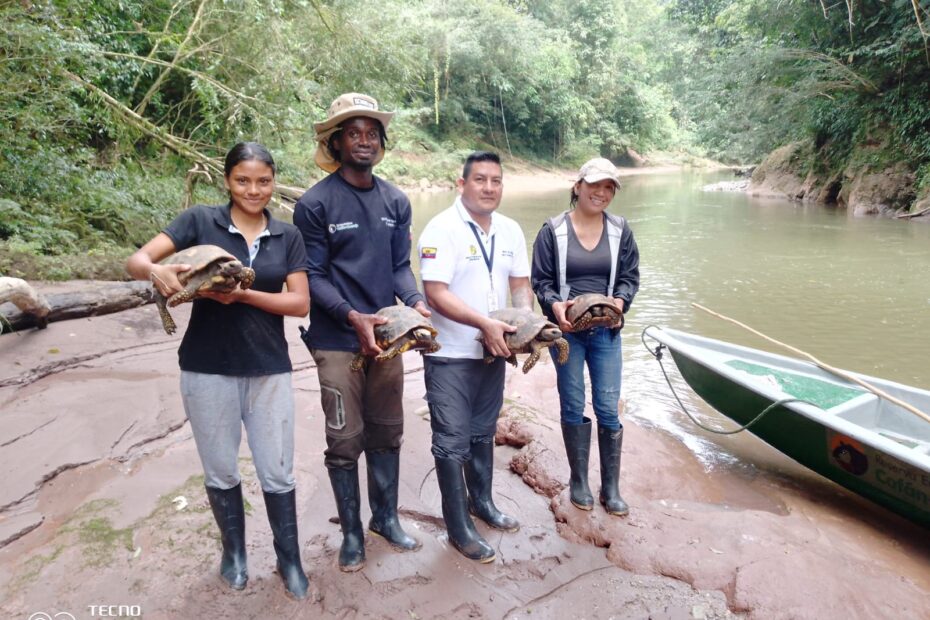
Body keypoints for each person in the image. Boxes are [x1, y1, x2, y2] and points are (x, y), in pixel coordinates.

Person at [125, 142, 312, 598]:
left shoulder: (288, 236)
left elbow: (300, 302)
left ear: (273, 183)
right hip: (206, 368)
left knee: (278, 470)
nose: (254, 190)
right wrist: (157, 272)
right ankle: (234, 554)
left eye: (263, 181)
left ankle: (290, 560)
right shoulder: (199, 221)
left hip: (269, 369)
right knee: (221, 470)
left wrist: (244, 296)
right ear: (227, 180)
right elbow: (136, 261)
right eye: (243, 180)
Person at [293, 93, 426, 572]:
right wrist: (353, 316)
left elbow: (398, 268)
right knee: (345, 438)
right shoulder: (314, 204)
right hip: (336, 340)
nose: (364, 141)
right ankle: (351, 532)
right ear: (337, 142)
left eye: (372, 133)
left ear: (381, 142)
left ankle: (385, 519)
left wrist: (414, 303)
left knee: (388, 431)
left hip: (388, 338)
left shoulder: (395, 200)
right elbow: (313, 274)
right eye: (354, 133)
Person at [417, 151, 533, 563]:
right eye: (480, 179)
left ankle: (480, 502)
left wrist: (523, 323)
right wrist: (483, 323)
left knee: (483, 431)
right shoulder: (441, 229)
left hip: (492, 351)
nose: (488, 187)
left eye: (496, 181)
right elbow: (436, 293)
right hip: (449, 353)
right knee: (451, 441)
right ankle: (458, 527)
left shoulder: (510, 230)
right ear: (461, 183)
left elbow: (520, 284)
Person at [531, 157, 640, 517]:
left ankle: (610, 487)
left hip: (607, 331)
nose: (602, 193)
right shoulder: (553, 231)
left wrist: (620, 302)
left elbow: (629, 277)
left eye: (609, 187)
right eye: (595, 185)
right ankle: (579, 480)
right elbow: (541, 282)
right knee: (573, 402)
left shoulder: (621, 230)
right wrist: (554, 307)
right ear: (578, 186)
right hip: (569, 334)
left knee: (608, 406)